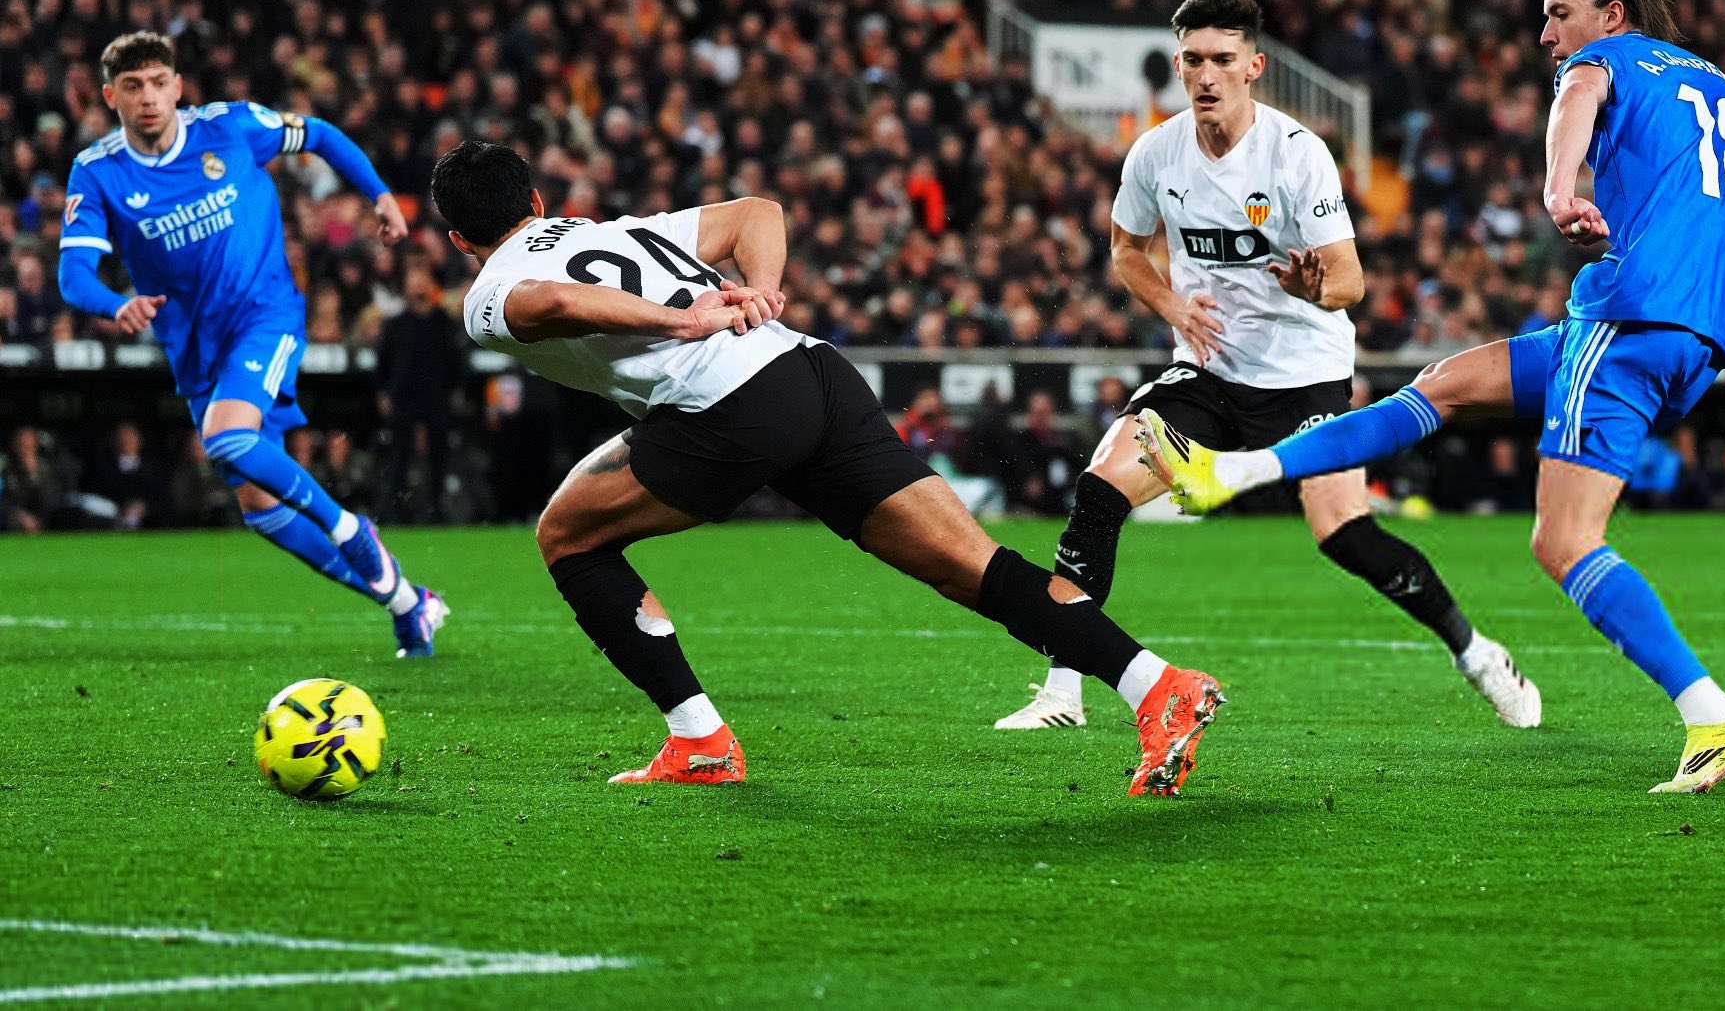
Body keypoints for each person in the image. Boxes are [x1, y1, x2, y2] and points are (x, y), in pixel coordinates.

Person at [1141, 0, 1725, 794]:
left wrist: (1558, 187)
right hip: (1692, 339)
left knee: (1564, 540)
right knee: (1446, 383)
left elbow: (1577, 94)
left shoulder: (1608, 60)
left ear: (1612, 14)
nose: (1547, 34)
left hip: (1632, 317)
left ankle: (1713, 712)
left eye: (1559, 12)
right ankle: (1233, 472)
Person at [430, 139, 1223, 796]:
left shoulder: (488, 291)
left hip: (729, 406)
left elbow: (551, 303)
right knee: (974, 568)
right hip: (811, 373)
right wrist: (762, 294)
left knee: (567, 536)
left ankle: (699, 741)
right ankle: (1156, 685)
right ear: (538, 200)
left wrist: (683, 322)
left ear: (459, 239)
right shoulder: (623, 230)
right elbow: (758, 212)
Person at [994, 0, 1540, 733]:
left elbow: (1351, 280)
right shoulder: (1155, 153)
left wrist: (1316, 288)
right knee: (1099, 490)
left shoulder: (1295, 154)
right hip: (1209, 373)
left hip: (1302, 378)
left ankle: (1476, 653)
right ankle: (1063, 691)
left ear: (1253, 66)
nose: (1206, 75)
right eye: (1193, 60)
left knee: (1343, 533)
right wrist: (1174, 307)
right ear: (1177, 67)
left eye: (1223, 59)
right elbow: (1126, 250)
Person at [55, 32, 447, 656]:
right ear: (110, 97)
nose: (148, 97)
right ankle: (407, 602)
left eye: (157, 83)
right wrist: (114, 303)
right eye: (132, 86)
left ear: (178, 87)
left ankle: (351, 528)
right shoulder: (97, 170)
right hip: (194, 345)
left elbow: (319, 134)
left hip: (264, 316)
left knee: (227, 438)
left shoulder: (230, 128)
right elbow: (73, 274)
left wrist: (379, 195)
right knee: (258, 503)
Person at [375, 261, 467, 520]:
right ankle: (394, 511)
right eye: (412, 277)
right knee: (398, 457)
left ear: (431, 282)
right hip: (403, 397)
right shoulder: (394, 325)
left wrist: (455, 390)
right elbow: (382, 362)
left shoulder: (445, 323)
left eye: (421, 276)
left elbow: (457, 363)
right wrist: (383, 392)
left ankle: (436, 510)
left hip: (437, 397)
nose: (417, 283)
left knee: (439, 457)